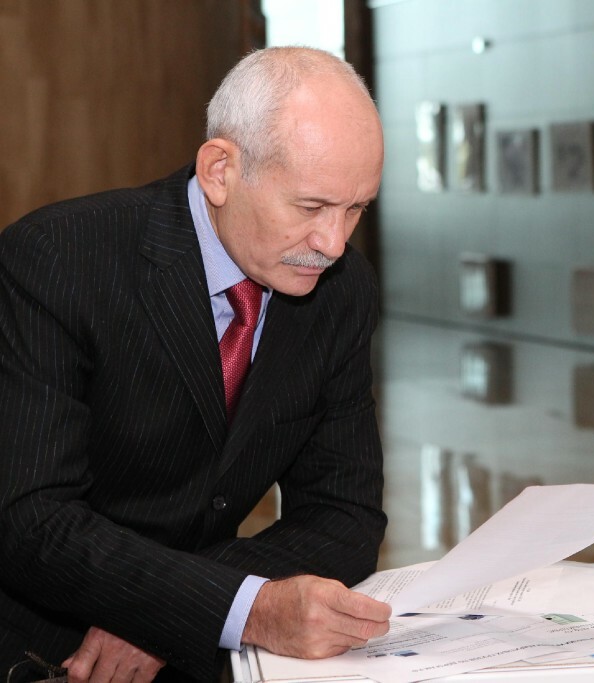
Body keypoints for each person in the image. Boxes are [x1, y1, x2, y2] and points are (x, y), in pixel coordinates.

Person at [0, 47, 392, 682]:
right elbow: (29, 519)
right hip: (38, 650)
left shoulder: (342, 290)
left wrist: (189, 611)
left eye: (356, 209)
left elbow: (346, 516)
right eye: (311, 207)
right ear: (220, 171)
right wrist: (240, 610)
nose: (333, 243)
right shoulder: (59, 259)